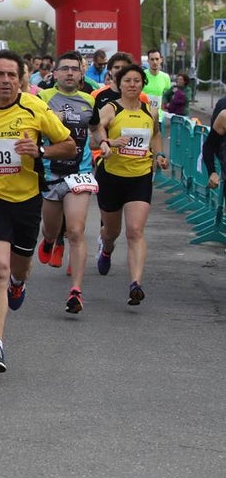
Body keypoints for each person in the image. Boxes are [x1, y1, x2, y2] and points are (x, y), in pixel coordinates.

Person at [0, 50, 74, 373]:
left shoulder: (35, 108)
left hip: (26, 200)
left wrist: (40, 150)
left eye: (12, 75)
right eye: (0, 75)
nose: (6, 81)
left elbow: (68, 145)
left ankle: (18, 284)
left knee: (18, 269)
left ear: (21, 79)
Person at [93, 64, 167, 304]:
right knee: (112, 231)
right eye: (128, 81)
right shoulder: (111, 108)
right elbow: (97, 128)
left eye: (137, 81)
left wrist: (160, 155)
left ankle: (136, 283)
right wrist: (108, 142)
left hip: (140, 176)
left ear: (142, 84)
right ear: (120, 84)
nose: (132, 85)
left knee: (135, 230)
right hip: (112, 176)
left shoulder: (149, 111)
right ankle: (106, 249)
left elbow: (155, 134)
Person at [35, 52, 99, 313]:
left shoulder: (88, 101)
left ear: (81, 75)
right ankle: (51, 241)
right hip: (51, 172)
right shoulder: (41, 99)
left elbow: (96, 132)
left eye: (75, 69)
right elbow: (32, 129)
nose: (70, 73)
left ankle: (76, 291)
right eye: (65, 69)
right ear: (56, 74)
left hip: (79, 172)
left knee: (76, 229)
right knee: (51, 229)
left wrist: (103, 142)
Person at [141, 48, 171, 114]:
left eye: (157, 59)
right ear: (148, 61)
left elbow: (168, 96)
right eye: (152, 59)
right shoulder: (141, 75)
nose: (155, 62)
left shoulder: (165, 77)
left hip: (158, 117)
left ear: (161, 60)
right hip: (143, 115)